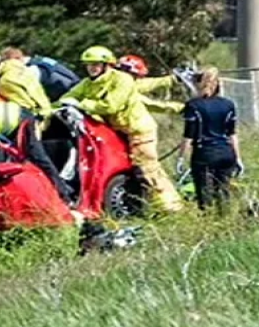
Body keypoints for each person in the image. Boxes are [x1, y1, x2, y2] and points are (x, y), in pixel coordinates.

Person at [61, 46, 184, 214]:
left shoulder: (123, 80)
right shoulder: (89, 83)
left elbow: (111, 105)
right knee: (132, 171)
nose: (91, 68)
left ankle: (171, 208)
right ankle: (142, 204)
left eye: (96, 64)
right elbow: (68, 97)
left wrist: (82, 104)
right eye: (89, 65)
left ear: (107, 65)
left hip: (138, 130)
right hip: (119, 132)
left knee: (147, 168)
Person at [176, 68, 241, 212]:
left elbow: (188, 135)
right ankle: (225, 219)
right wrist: (238, 158)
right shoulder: (228, 105)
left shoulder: (194, 105)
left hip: (204, 153)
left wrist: (181, 158)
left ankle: (208, 219)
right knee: (223, 192)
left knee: (204, 193)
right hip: (226, 152)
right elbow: (232, 134)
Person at [0, 51, 54, 119]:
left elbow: (25, 106)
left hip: (39, 118)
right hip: (47, 107)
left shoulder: (4, 83)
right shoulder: (15, 64)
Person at [0, 47, 81, 100]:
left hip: (71, 97)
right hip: (73, 91)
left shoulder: (33, 69)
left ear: (18, 58)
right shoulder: (40, 60)